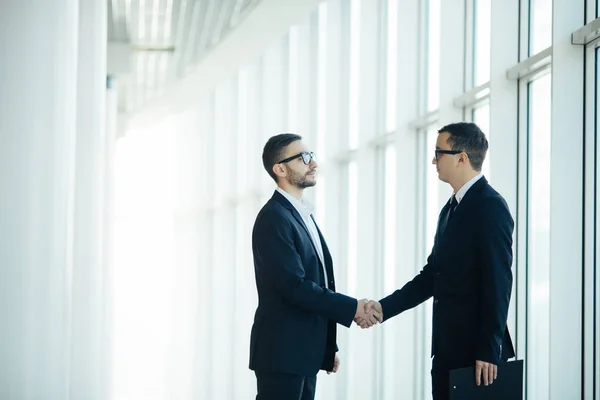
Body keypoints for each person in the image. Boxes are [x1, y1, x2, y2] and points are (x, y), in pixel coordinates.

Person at [358, 122, 515, 400]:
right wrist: (382, 308)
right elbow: (432, 276)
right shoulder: (450, 209)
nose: (433, 160)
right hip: (447, 351)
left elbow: (498, 283)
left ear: (461, 158)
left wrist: (488, 350)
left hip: (477, 358)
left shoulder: (490, 207)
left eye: (438, 152)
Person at [250, 133, 380, 400]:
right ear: (280, 169)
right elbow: (294, 287)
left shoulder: (300, 214)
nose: (314, 164)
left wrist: (326, 348)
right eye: (304, 157)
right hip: (282, 354)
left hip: (303, 353)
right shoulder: (274, 218)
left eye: (312, 156)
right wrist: (354, 307)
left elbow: (319, 285)